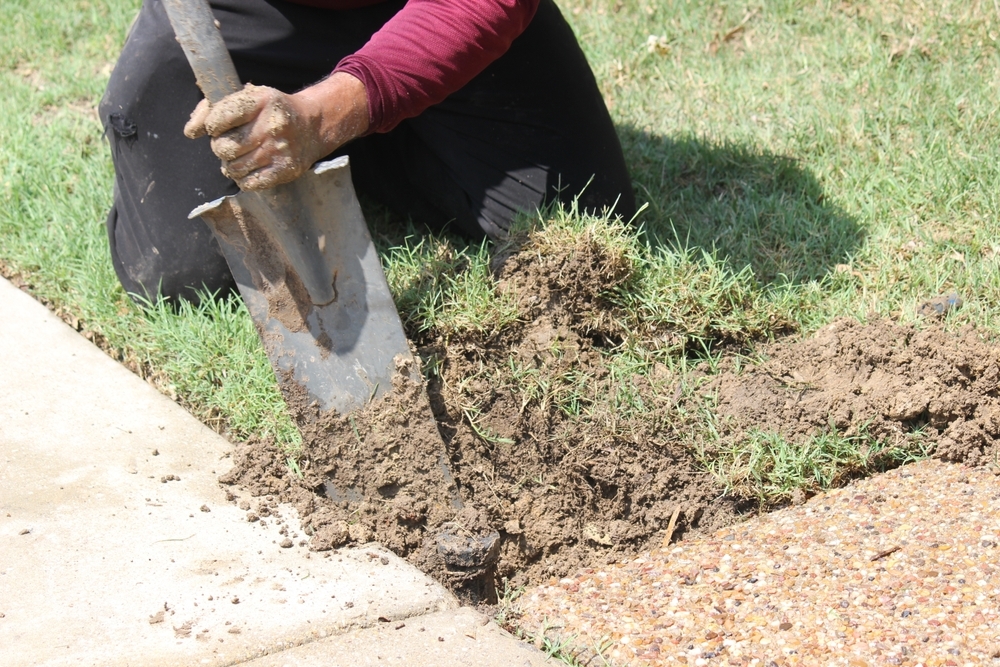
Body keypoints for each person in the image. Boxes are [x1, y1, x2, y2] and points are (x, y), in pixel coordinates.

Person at [100, 0, 635, 303]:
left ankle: (356, 119)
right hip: (243, 14)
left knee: (578, 210)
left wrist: (323, 118)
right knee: (179, 276)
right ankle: (347, 122)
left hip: (421, 10)